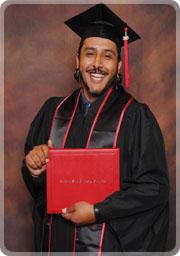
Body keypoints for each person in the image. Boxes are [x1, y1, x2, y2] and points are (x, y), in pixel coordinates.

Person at [22, 3, 169, 253]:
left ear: (119, 66)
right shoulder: (53, 111)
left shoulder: (136, 117)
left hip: (105, 246)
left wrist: (98, 211)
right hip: (55, 242)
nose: (97, 64)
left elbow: (154, 188)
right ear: (77, 60)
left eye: (108, 56)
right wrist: (34, 169)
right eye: (90, 54)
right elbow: (38, 188)